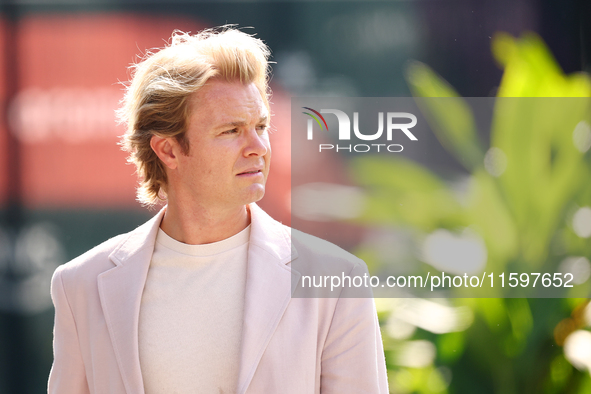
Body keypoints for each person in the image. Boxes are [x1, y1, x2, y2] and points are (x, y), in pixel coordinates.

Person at [48, 27, 388, 394]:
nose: (258, 146)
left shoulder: (336, 280)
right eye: (231, 131)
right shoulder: (80, 285)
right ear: (168, 150)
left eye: (261, 126)